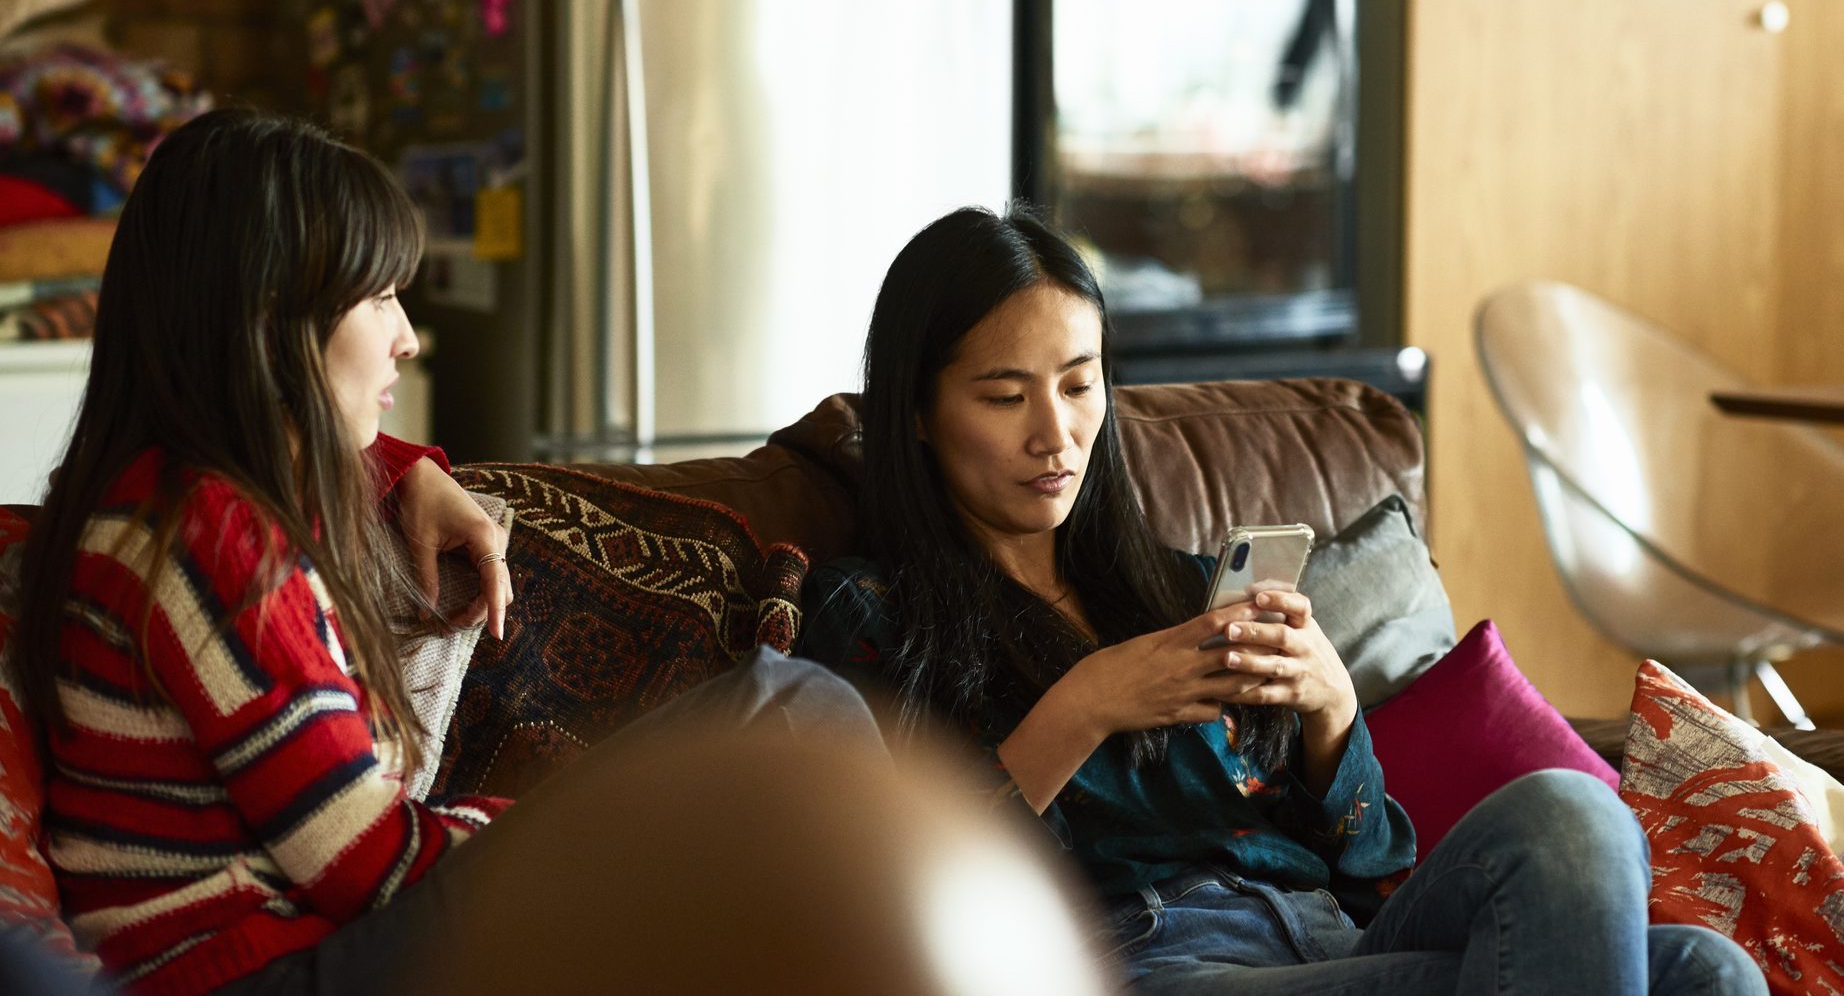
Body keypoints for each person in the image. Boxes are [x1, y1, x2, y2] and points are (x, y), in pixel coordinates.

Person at [18, 110, 1090, 996]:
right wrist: (586, 823)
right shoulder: (213, 534)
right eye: (378, 295)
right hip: (253, 973)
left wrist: (408, 468)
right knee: (785, 709)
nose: (407, 334)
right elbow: (365, 864)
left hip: (281, 952)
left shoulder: (162, 497)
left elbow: (350, 458)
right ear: (271, 322)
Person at [797, 205, 1766, 995]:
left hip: (1332, 936)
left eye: (1079, 384)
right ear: (918, 414)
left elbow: (1371, 857)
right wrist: (1086, 701)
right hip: (1151, 959)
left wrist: (1329, 709)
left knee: (1638, 888)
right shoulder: (871, 614)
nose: (1055, 433)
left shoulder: (1171, 586)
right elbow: (917, 889)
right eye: (1004, 397)